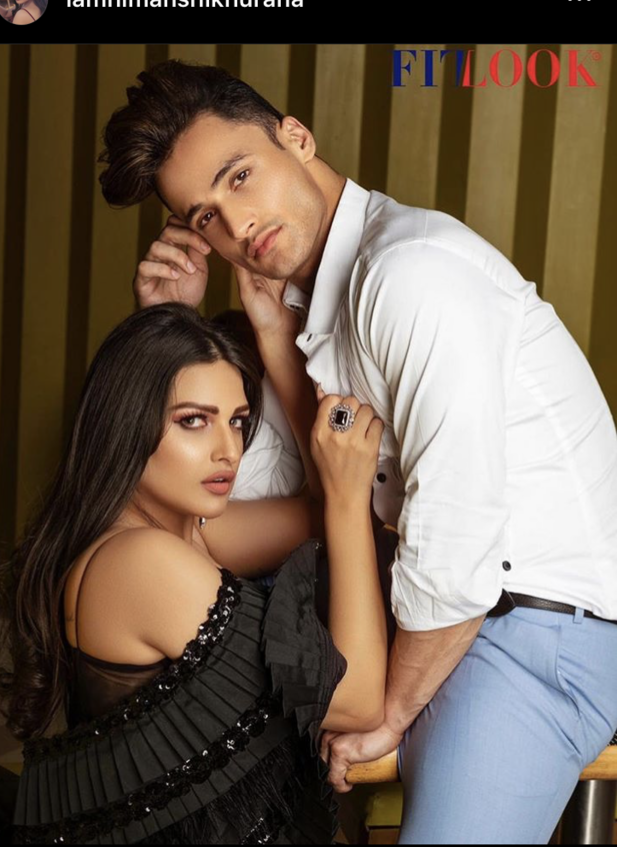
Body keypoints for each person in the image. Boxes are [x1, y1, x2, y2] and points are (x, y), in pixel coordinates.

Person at [96, 59, 617, 844]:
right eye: (206, 216)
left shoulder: (408, 273)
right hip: (447, 619)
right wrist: (207, 333)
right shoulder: (322, 298)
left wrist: (390, 711)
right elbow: (295, 495)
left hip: (536, 631)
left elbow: (459, 533)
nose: (237, 226)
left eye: (240, 176)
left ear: (296, 137)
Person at [0, 300, 388, 844]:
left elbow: (323, 512)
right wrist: (350, 496)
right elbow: (356, 701)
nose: (228, 450)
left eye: (237, 421)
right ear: (127, 424)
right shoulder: (141, 562)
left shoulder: (184, 532)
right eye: (193, 421)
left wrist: (274, 338)